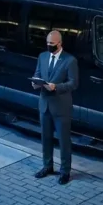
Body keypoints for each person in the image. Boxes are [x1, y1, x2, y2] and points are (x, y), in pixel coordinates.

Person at [31, 30, 78, 185]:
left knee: (64, 141)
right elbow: (37, 74)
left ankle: (65, 171)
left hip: (61, 107)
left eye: (52, 44)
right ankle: (47, 166)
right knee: (46, 139)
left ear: (59, 43)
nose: (49, 46)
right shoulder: (42, 57)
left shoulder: (70, 60)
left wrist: (56, 87)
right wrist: (35, 83)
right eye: (47, 43)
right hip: (44, 105)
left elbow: (73, 83)